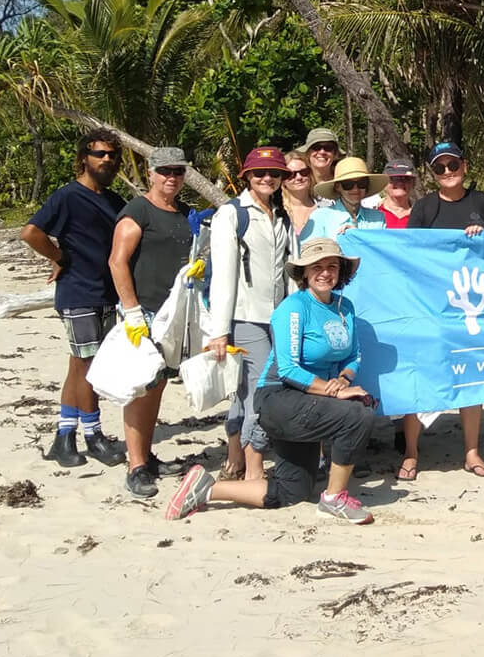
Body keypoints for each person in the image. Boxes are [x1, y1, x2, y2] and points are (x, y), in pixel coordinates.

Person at [164, 237, 390, 524]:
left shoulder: (346, 308)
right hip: (279, 398)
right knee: (358, 413)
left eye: (332, 266)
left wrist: (344, 380)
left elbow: (353, 355)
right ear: (304, 273)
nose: (325, 273)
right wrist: (334, 393)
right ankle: (334, 498)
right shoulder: (293, 308)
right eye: (316, 267)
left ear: (341, 271)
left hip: (312, 399)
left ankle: (206, 489)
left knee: (293, 491)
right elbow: (288, 370)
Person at [20, 127, 128, 468]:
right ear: (84, 158)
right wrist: (58, 257)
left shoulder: (114, 202)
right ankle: (93, 435)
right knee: (89, 365)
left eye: (112, 155)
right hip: (78, 291)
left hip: (106, 292)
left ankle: (64, 435)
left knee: (78, 363)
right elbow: (31, 232)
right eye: (100, 154)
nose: (107, 160)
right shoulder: (68, 196)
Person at [403, 140, 484, 479]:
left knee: (471, 378)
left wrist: (482, 236)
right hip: (432, 307)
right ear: (432, 173)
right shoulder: (424, 208)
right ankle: (411, 453)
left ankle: (471, 452)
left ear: (464, 167)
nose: (447, 172)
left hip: (473, 307)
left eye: (452, 165)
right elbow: (406, 254)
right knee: (420, 376)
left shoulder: (482, 202)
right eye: (439, 167)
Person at [202, 146, 291, 481]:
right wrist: (219, 331)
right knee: (261, 389)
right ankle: (254, 467)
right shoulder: (231, 214)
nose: (267, 178)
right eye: (259, 173)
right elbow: (224, 277)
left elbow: (284, 271)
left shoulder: (278, 215)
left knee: (245, 390)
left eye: (274, 173)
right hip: (244, 317)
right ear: (246, 177)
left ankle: (235, 456)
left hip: (276, 316)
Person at [109, 146, 194, 497]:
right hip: (141, 313)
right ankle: (136, 466)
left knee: (157, 386)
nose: (171, 177)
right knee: (139, 389)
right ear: (151, 173)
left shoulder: (185, 212)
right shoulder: (137, 211)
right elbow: (117, 262)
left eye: (177, 171)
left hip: (173, 313)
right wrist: (131, 312)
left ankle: (147, 456)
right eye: (164, 171)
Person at [312, 157, 389, 235]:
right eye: (348, 184)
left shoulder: (378, 218)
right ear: (337, 187)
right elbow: (310, 246)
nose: (355, 189)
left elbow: (381, 247)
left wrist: (357, 235)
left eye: (362, 183)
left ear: (367, 185)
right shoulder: (321, 217)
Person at [280, 150, 323, 243]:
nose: (299, 177)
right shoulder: (277, 211)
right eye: (291, 174)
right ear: (282, 179)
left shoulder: (325, 206)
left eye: (304, 172)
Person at [299, 127, 341, 199]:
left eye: (328, 147)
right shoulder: (298, 181)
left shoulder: (344, 183)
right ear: (308, 153)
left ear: (335, 154)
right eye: (316, 147)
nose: (322, 152)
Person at [376, 159, 416, 228]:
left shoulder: (421, 215)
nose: (400, 182)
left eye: (406, 178)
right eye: (394, 178)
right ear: (384, 183)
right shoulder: (372, 215)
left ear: (413, 183)